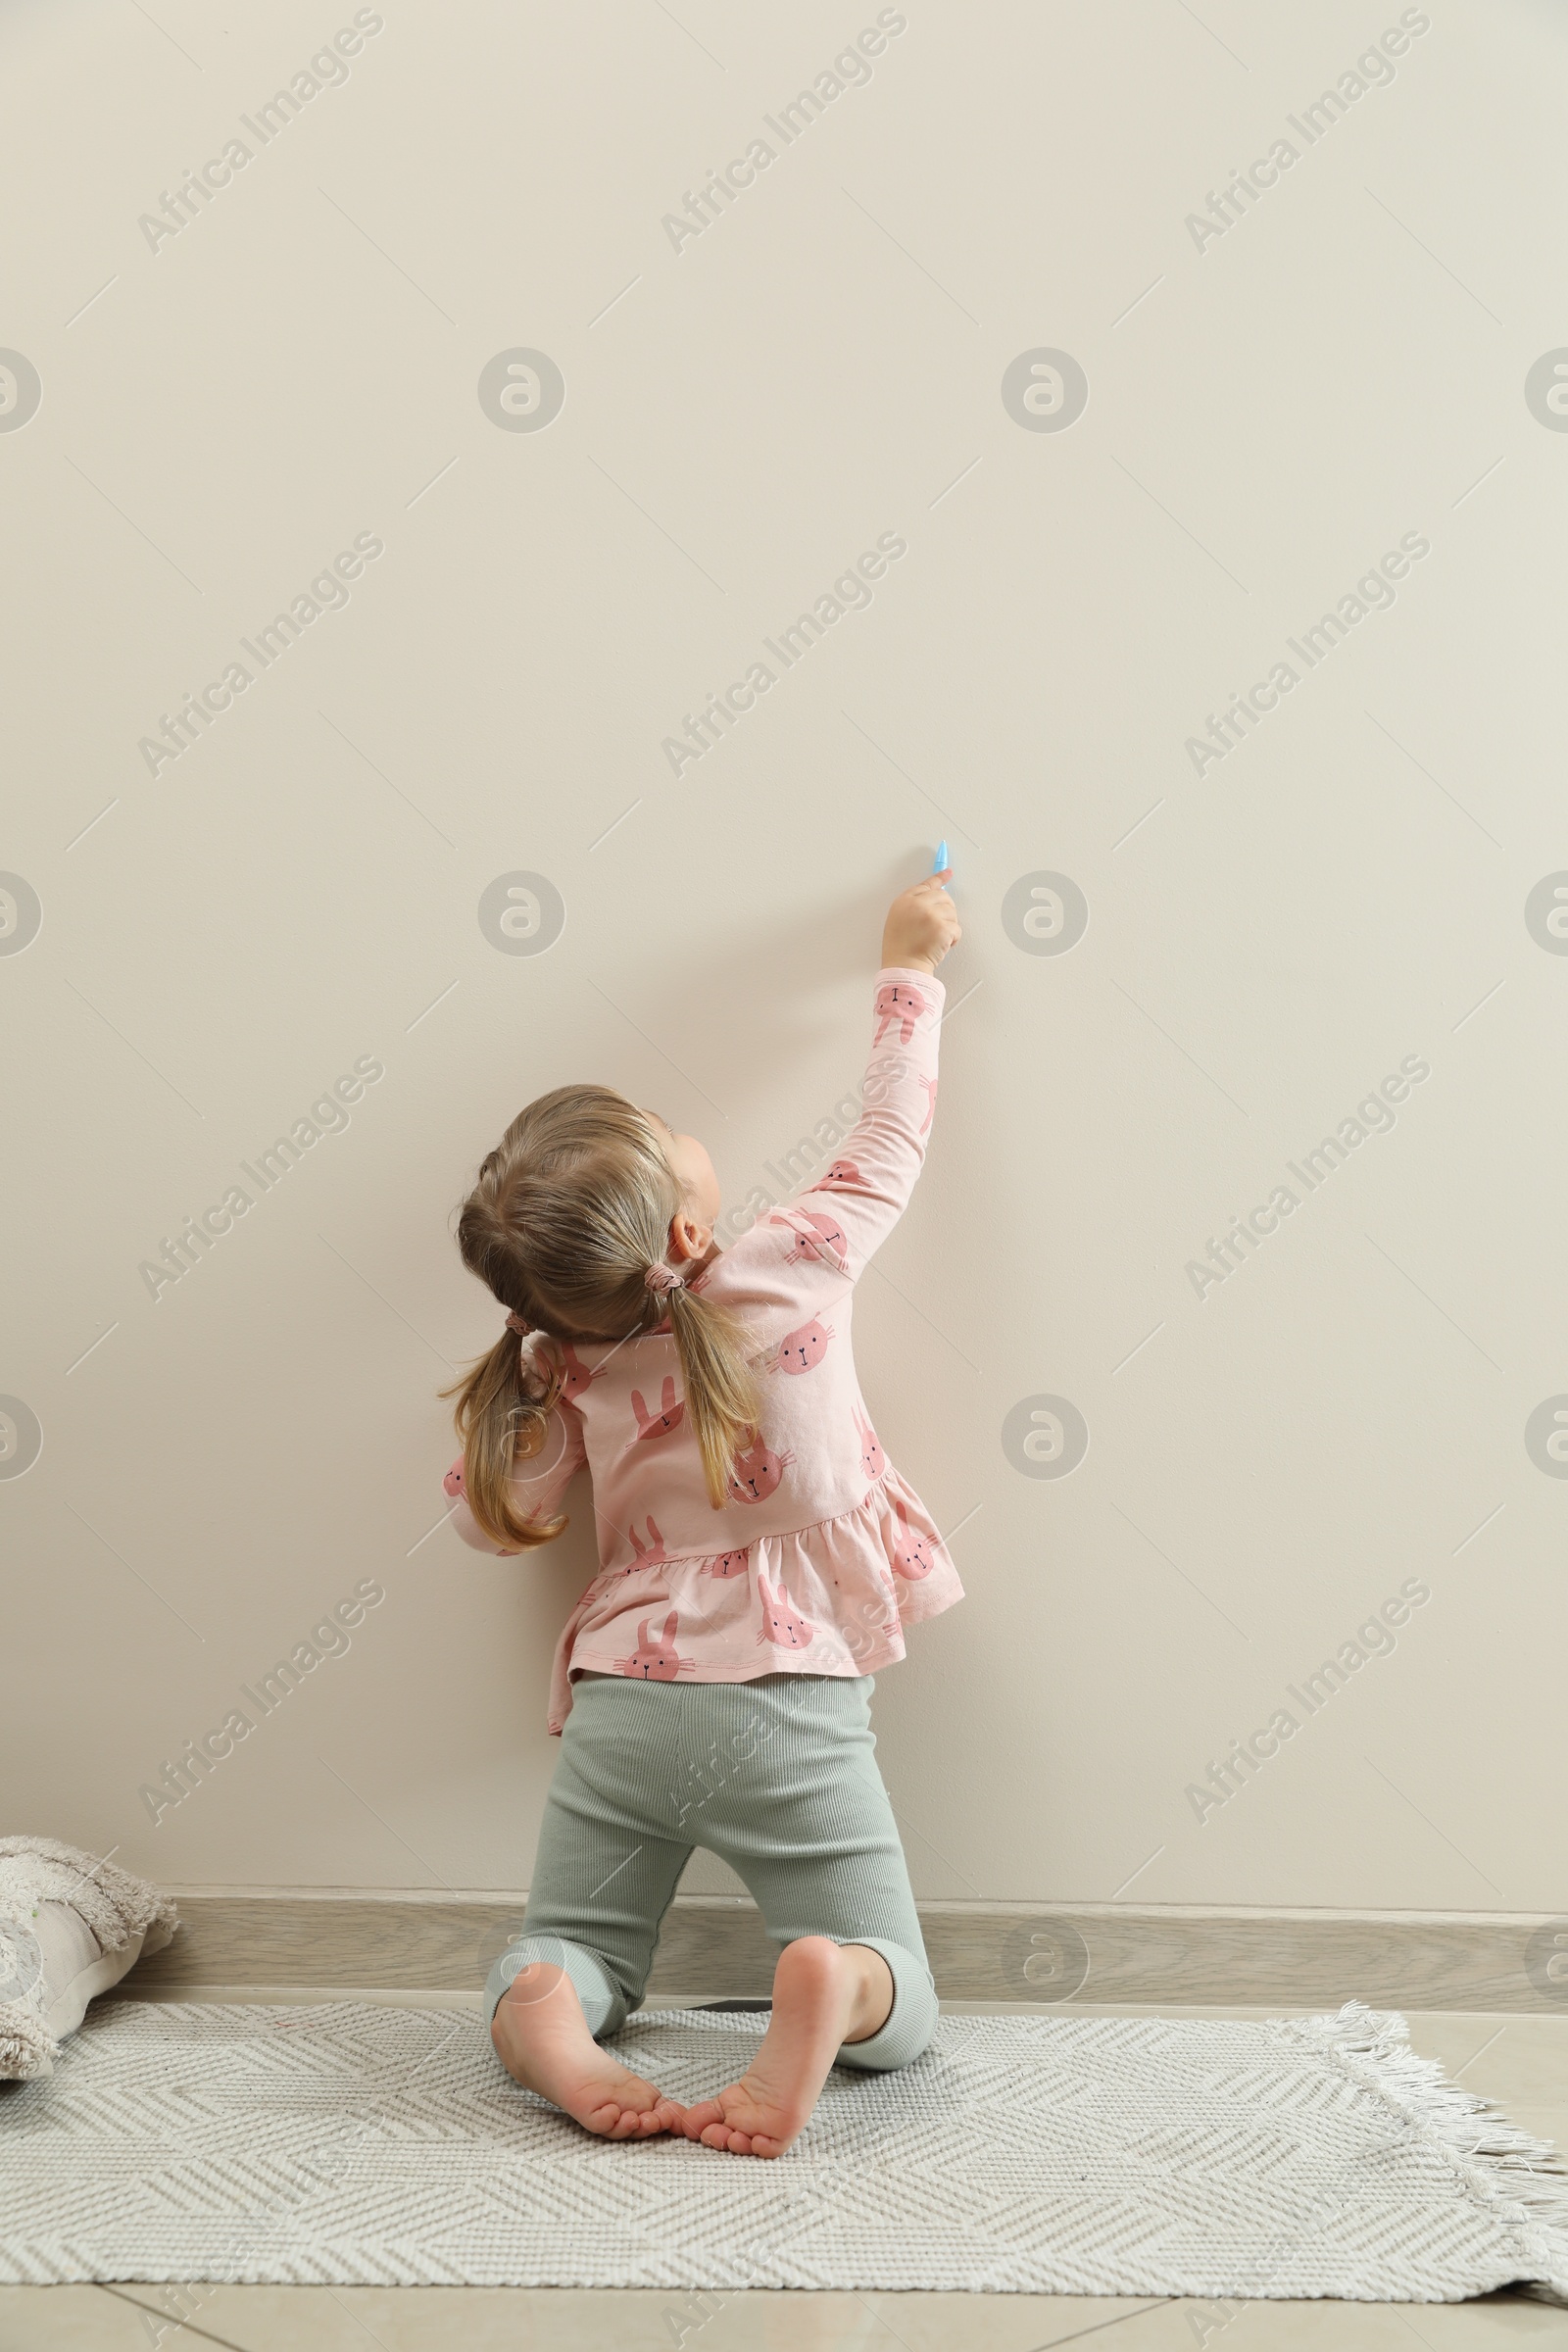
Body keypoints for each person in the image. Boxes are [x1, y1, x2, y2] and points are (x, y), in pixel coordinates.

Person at [440, 865, 962, 2156]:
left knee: (581, 1944)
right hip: (793, 1697)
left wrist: (526, 1365)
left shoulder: (562, 1356)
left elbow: (490, 1513)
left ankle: (544, 2002)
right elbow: (891, 1139)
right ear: (685, 1222)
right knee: (901, 1983)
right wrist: (911, 968)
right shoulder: (792, 1263)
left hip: (627, 1701)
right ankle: (836, 1989)